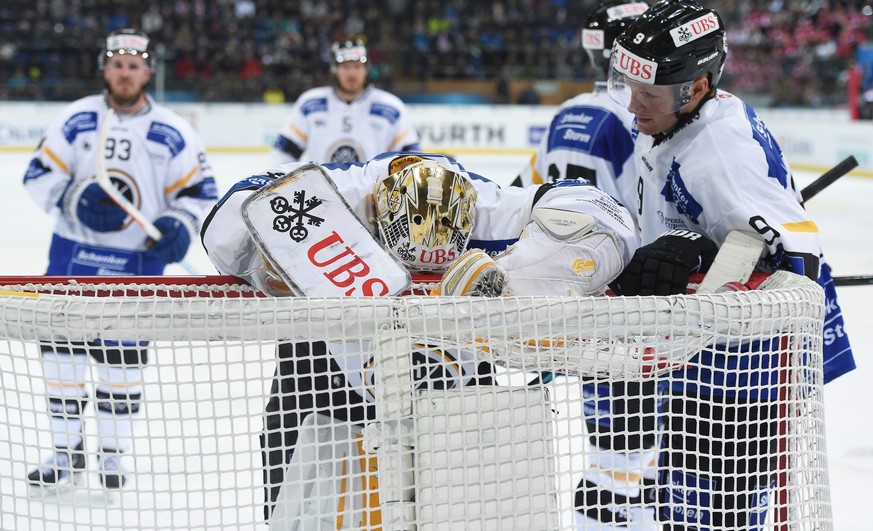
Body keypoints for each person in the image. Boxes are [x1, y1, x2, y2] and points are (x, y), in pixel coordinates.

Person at [200, 152, 640, 522]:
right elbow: (230, 218)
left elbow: (610, 219)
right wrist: (268, 254)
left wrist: (514, 278)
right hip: (324, 385)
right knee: (308, 519)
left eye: (435, 272)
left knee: (463, 519)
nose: (422, 282)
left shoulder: (488, 205)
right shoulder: (344, 195)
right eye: (414, 270)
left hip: (454, 393)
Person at [605, 1, 857, 529]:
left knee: (717, 515)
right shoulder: (688, 121)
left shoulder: (718, 155)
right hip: (700, 359)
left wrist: (706, 255)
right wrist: (693, 243)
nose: (633, 106)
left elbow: (800, 258)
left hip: (740, 379)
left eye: (647, 94)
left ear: (694, 89)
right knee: (686, 504)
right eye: (628, 88)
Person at [22, 28, 218, 492]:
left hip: (137, 266)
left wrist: (179, 225)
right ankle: (66, 454)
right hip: (72, 261)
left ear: (147, 71)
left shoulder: (173, 130)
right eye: (117, 64)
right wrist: (74, 198)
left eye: (134, 65)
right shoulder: (77, 119)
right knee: (62, 368)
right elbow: (37, 173)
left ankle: (111, 456)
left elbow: (201, 193)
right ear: (105, 68)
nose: (125, 72)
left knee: (122, 370)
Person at [514, 3, 661, 529]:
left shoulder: (565, 113)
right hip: (634, 306)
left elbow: (524, 194)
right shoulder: (642, 120)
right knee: (642, 454)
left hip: (578, 298)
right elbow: (655, 212)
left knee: (610, 443)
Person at [268, 39, 421, 166]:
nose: (352, 73)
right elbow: (284, 153)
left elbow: (412, 157)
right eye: (345, 67)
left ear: (366, 69)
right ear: (334, 69)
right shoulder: (310, 104)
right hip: (320, 198)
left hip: (372, 198)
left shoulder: (391, 108)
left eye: (357, 66)